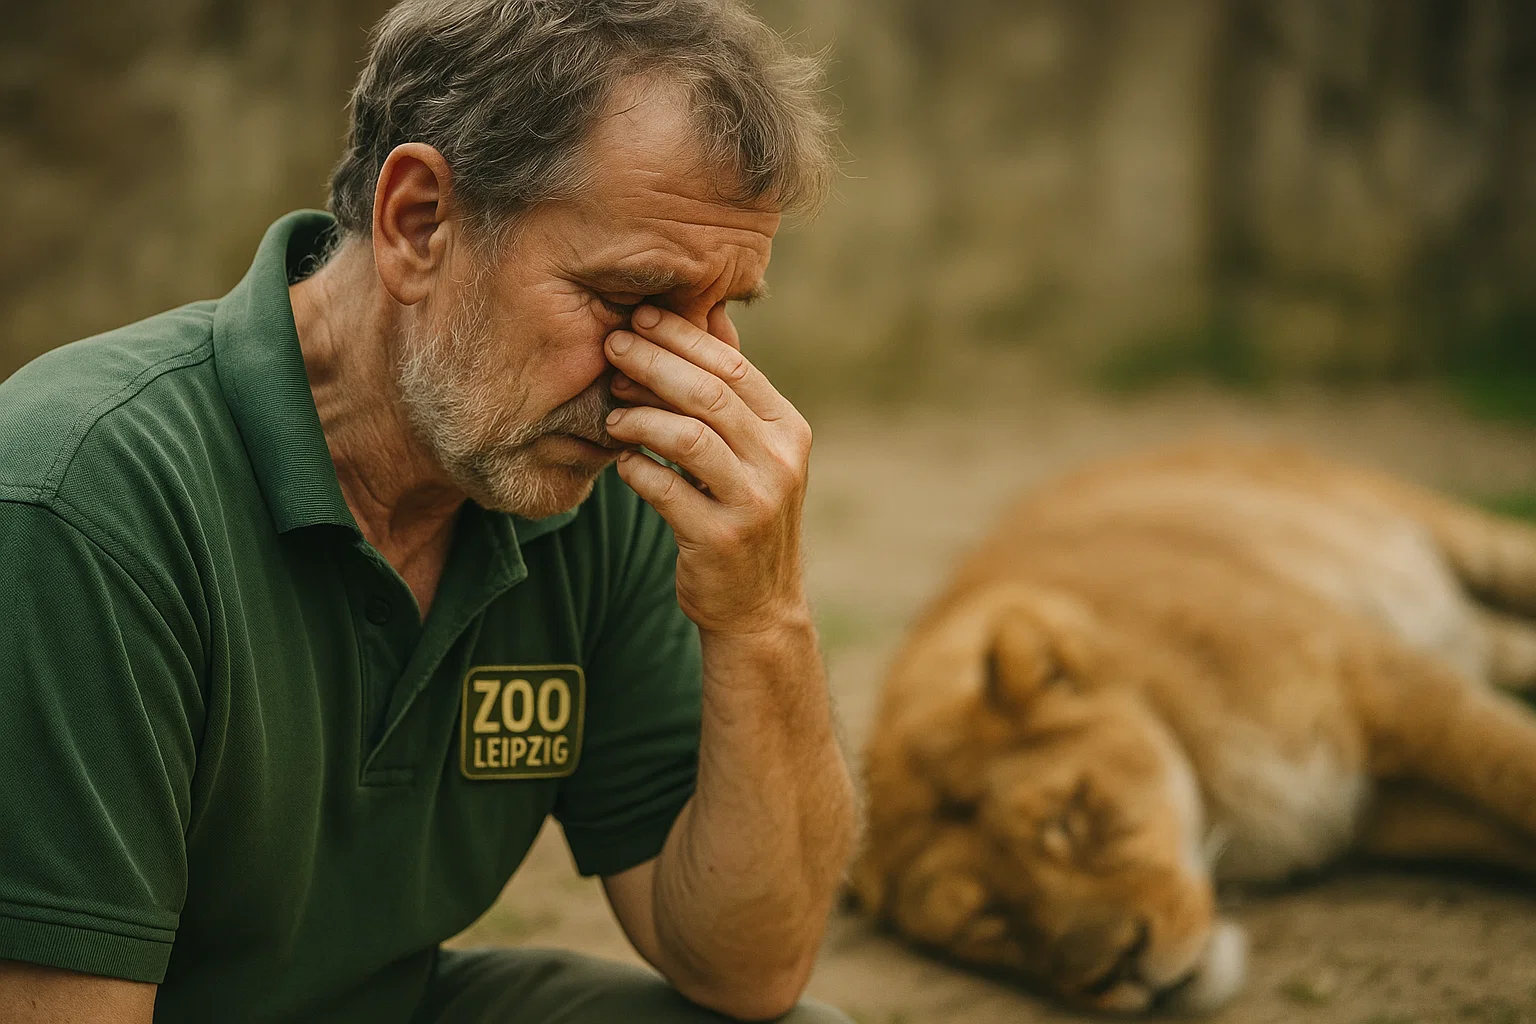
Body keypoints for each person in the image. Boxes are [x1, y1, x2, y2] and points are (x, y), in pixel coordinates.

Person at [0, 2, 858, 1021]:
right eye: (635, 299)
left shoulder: (581, 468)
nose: (675, 381)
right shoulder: (82, 495)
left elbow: (744, 967)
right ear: (418, 222)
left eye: (724, 311)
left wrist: (764, 619)